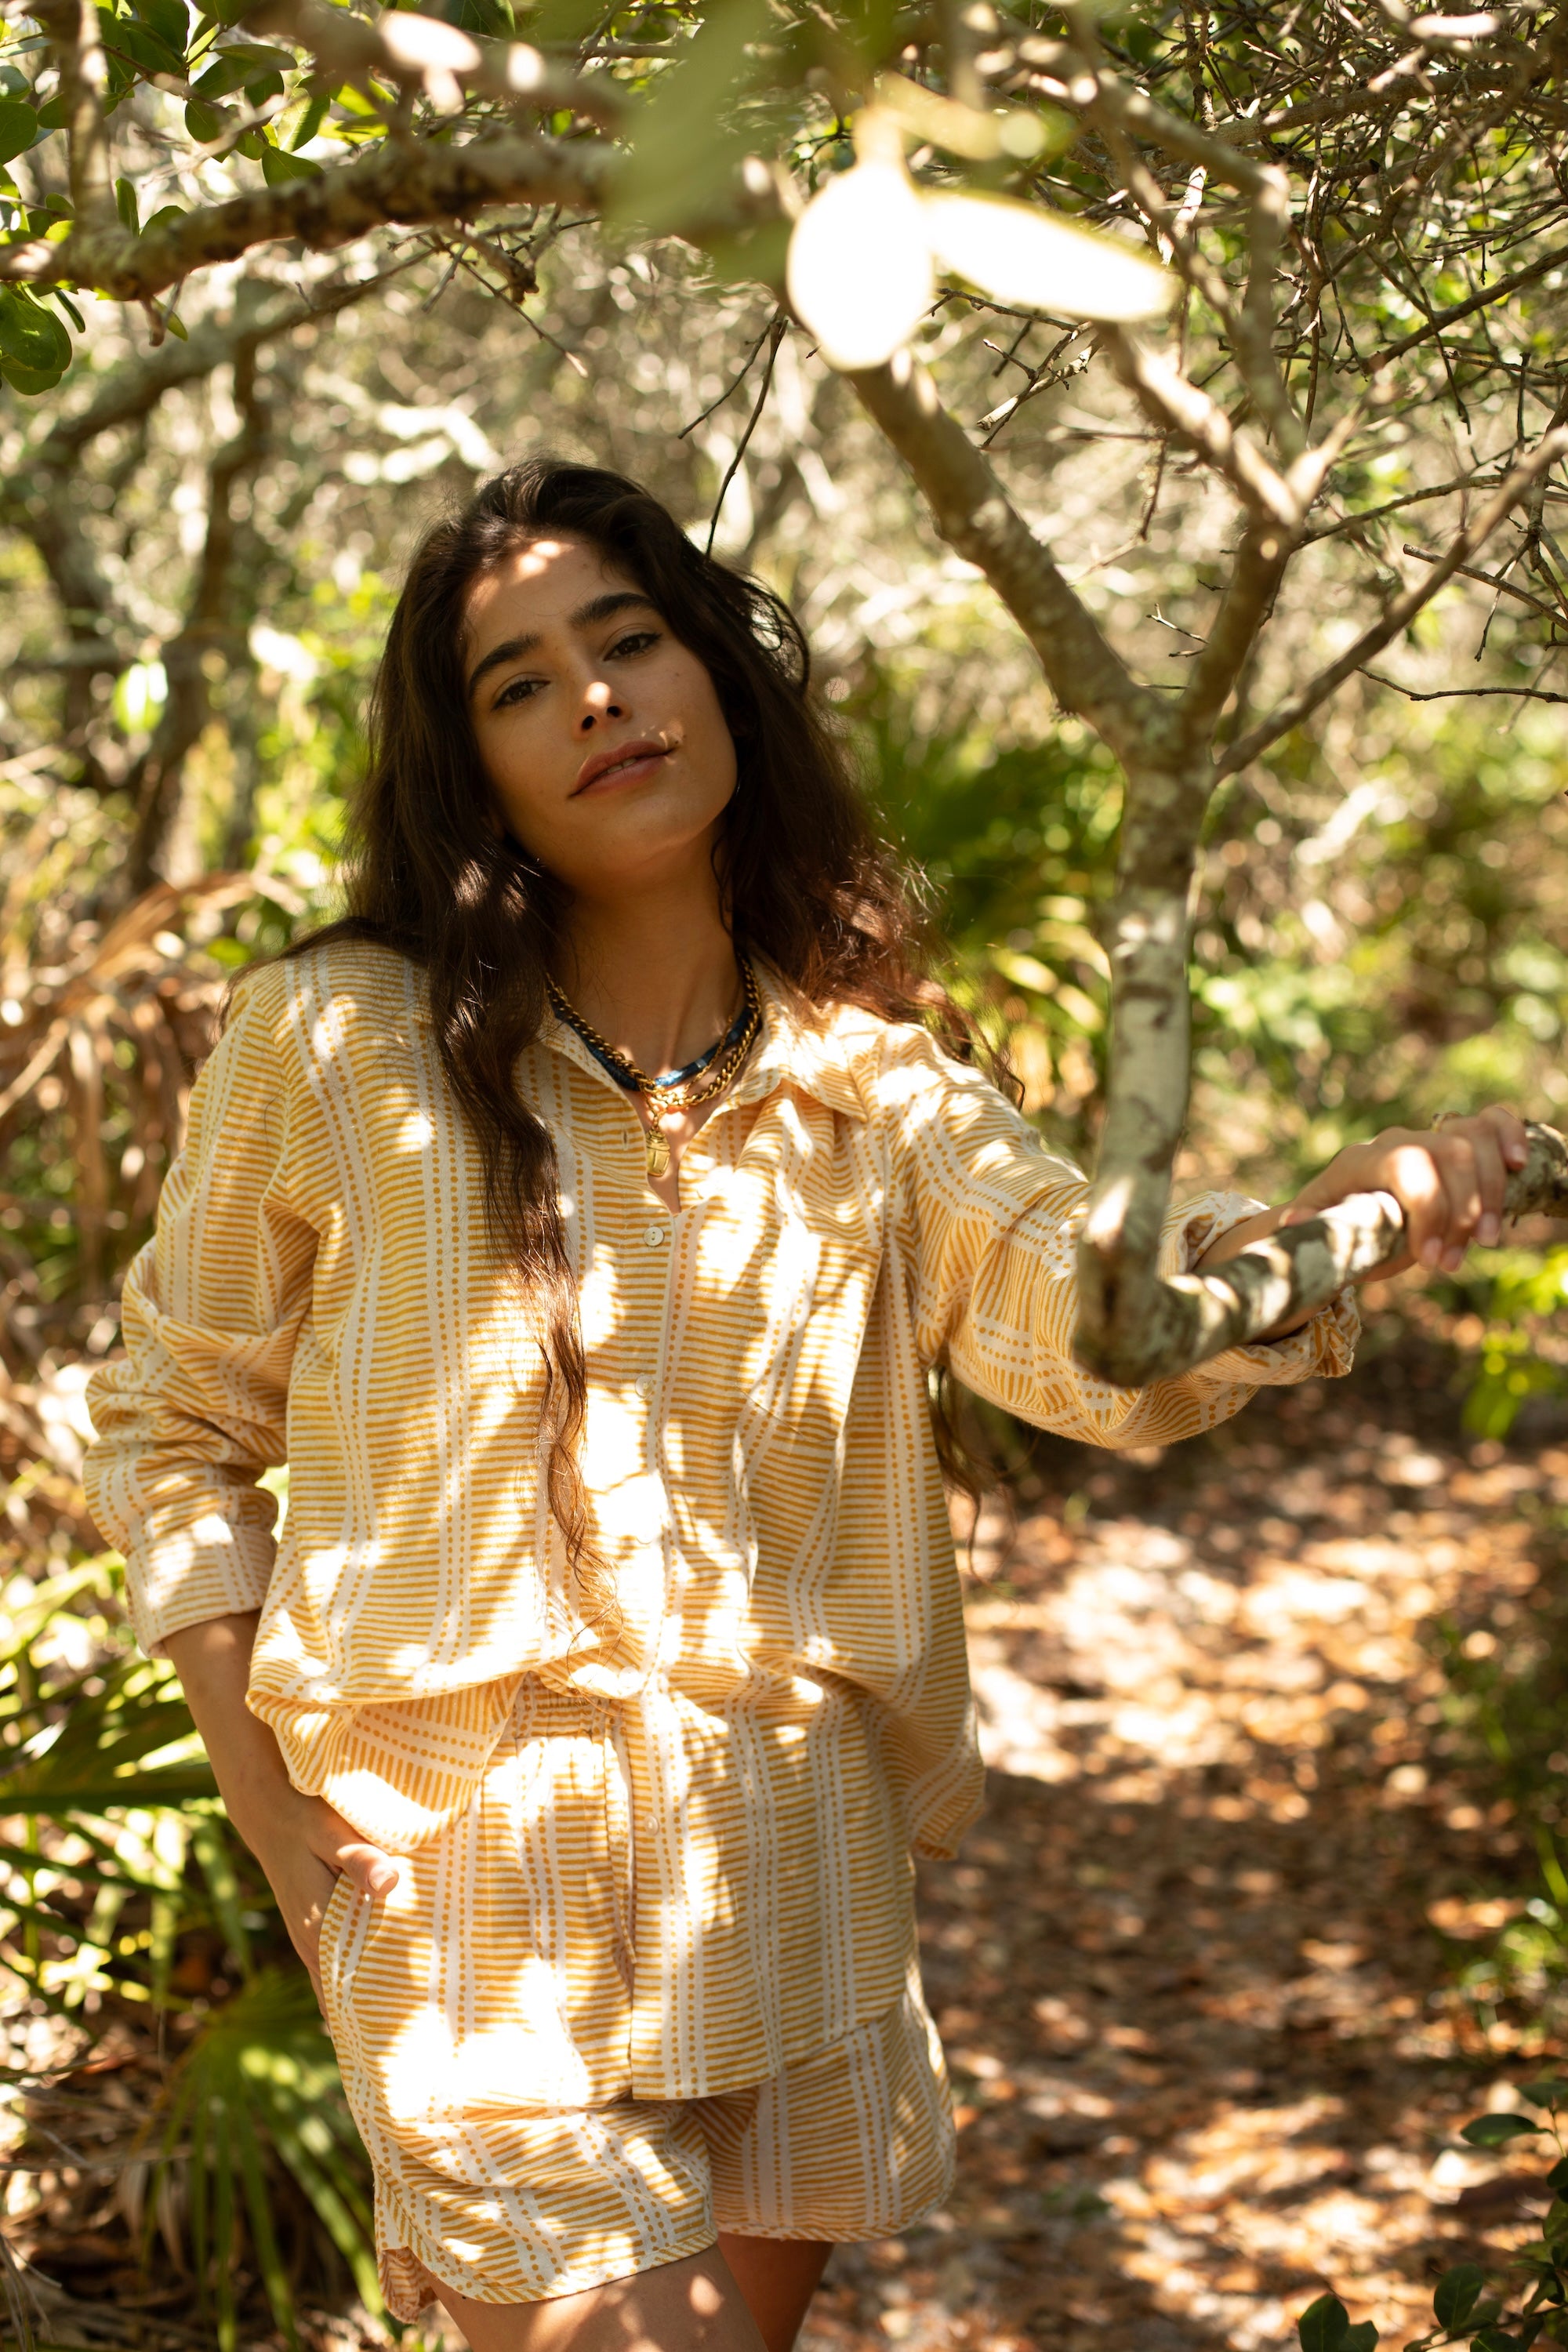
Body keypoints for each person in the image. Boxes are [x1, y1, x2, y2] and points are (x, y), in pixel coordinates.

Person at [84, 459, 1527, 2352]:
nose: (595, 698)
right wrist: (273, 1819)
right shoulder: (342, 1039)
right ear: (473, 771)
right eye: (520, 683)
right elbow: (170, 1420)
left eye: (627, 640)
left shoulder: (873, 1086)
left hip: (799, 1874)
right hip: (471, 1891)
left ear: (716, 674)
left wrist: (1342, 1217)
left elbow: (1104, 1330)